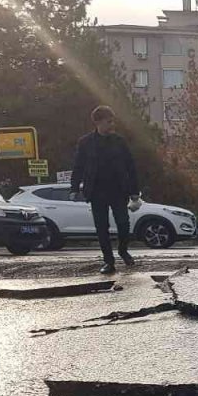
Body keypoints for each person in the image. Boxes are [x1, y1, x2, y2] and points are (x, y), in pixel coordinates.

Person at [70, 105, 141, 274]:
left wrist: (134, 191)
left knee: (123, 223)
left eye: (112, 121)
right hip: (96, 192)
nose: (112, 125)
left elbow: (130, 167)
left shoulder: (119, 141)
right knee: (101, 227)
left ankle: (123, 250)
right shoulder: (86, 143)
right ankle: (108, 261)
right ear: (98, 122)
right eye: (109, 122)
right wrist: (74, 188)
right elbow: (78, 166)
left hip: (118, 190)